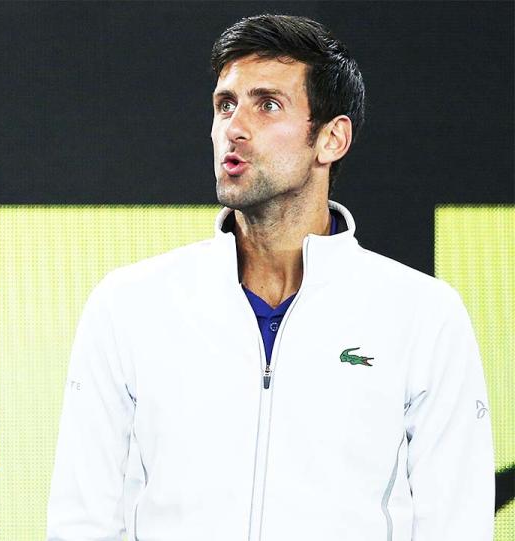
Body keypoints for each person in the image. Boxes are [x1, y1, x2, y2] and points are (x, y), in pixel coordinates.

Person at [47, 14, 494, 541]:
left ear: (331, 139)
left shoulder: (423, 314)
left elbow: (456, 525)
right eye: (225, 104)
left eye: (268, 105)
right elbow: (83, 521)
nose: (233, 128)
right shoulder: (128, 305)